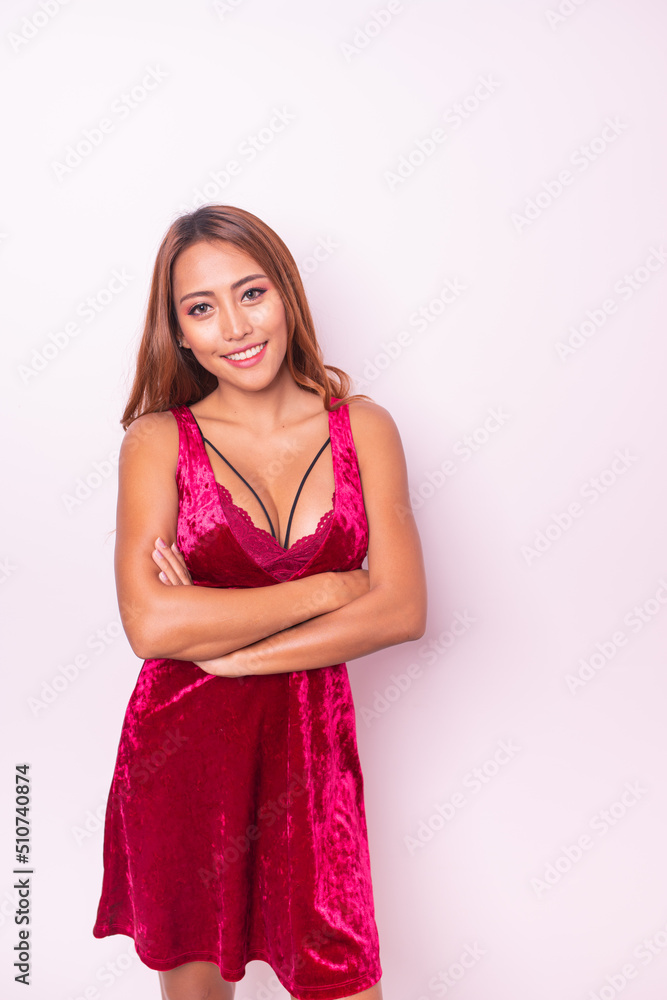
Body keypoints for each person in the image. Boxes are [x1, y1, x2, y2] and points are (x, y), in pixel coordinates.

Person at [92, 204, 427, 1000]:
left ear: (286, 294)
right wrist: (332, 589)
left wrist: (228, 652)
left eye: (251, 293)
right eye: (200, 308)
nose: (235, 327)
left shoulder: (365, 428)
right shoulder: (157, 441)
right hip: (181, 757)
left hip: (313, 771)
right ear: (179, 333)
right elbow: (151, 624)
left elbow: (401, 609)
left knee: (346, 980)